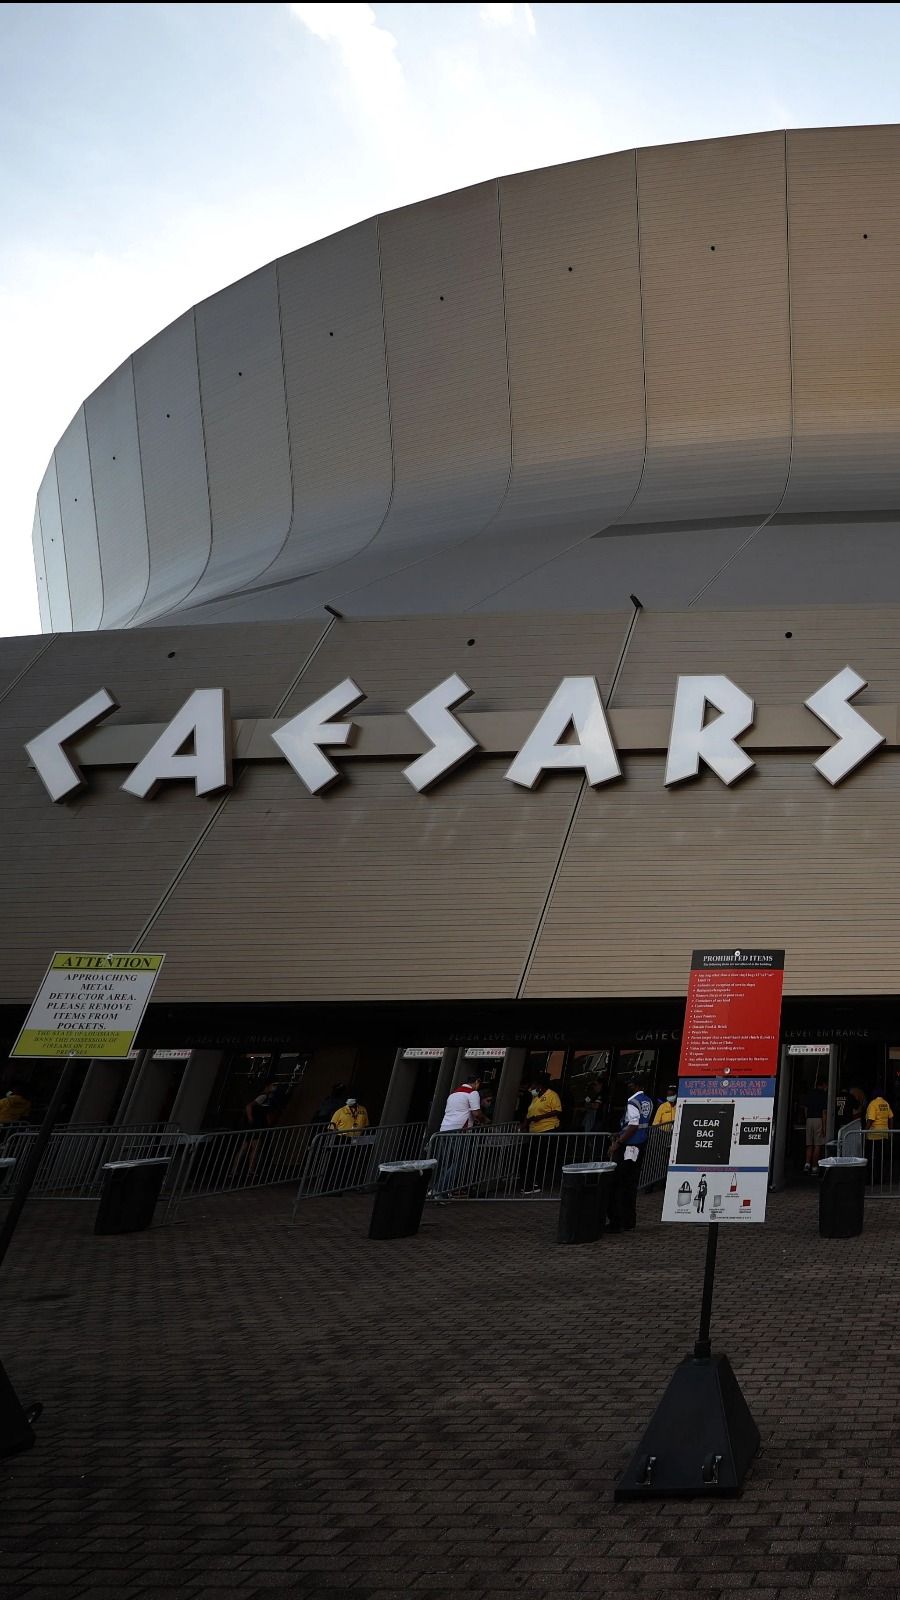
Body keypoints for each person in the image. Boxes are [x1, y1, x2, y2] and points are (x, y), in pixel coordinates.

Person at [606, 1076, 654, 1232]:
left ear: (637, 1086)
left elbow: (633, 1124)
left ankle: (618, 1221)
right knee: (630, 1184)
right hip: (640, 1144)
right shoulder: (647, 1100)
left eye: (631, 1084)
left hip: (629, 1145)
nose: (629, 1086)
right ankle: (629, 1220)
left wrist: (618, 1142)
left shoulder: (632, 1102)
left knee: (619, 1183)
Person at [431, 1075, 482, 1203]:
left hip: (444, 1129)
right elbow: (476, 1113)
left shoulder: (453, 1094)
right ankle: (440, 1190)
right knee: (460, 1161)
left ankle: (435, 1189)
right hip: (460, 1130)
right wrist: (485, 1120)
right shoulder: (472, 1093)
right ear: (476, 1082)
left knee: (447, 1161)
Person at [520, 1074, 562, 1194]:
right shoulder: (536, 1097)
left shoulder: (552, 1095)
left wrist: (540, 1117)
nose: (531, 1089)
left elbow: (557, 1110)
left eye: (533, 1086)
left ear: (539, 1086)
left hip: (547, 1129)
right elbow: (530, 1112)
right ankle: (529, 1182)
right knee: (532, 1157)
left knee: (541, 1157)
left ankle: (536, 1182)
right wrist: (525, 1123)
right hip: (534, 1131)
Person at [865, 1087, 894, 1185]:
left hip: (874, 1135)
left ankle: (871, 1179)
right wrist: (890, 1130)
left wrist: (865, 1131)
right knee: (881, 1158)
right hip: (884, 1134)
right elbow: (891, 1117)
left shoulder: (873, 1104)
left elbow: (871, 1119)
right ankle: (881, 1179)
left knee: (871, 1158)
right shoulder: (886, 1103)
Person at [802, 1079, 828, 1174]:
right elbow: (824, 1112)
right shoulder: (823, 1095)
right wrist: (824, 1127)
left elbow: (805, 1108)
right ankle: (814, 1167)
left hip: (809, 1119)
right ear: (823, 1085)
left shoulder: (809, 1093)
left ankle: (807, 1164)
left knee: (809, 1144)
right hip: (818, 1119)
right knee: (817, 1145)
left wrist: (807, 1119)